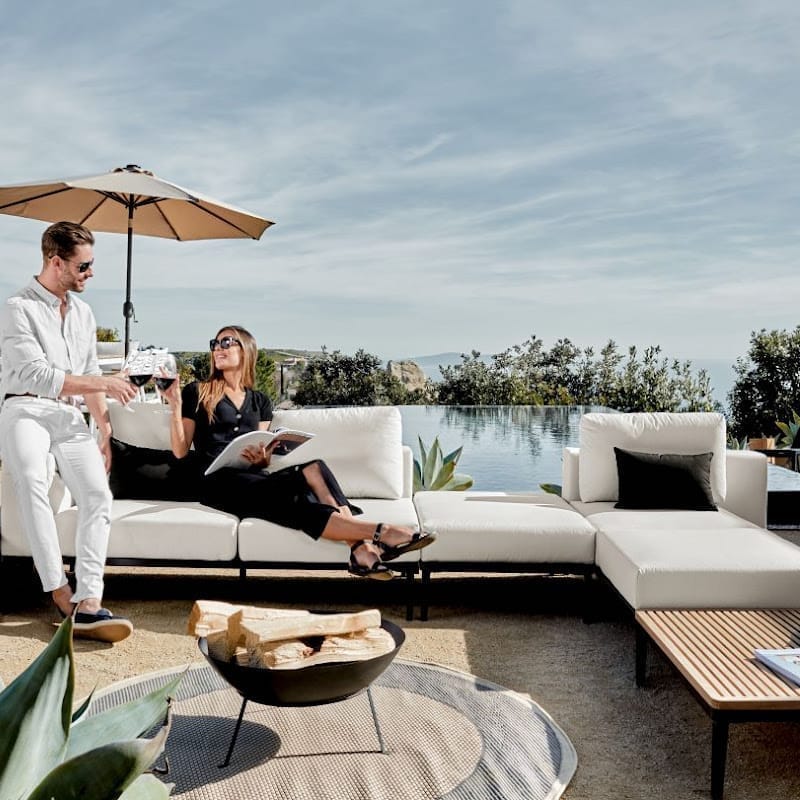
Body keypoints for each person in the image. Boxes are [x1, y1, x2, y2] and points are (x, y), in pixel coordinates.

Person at [161, 325, 434, 579]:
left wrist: (263, 458)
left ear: (246, 350)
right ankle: (379, 534)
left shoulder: (260, 401)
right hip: (216, 482)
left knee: (314, 469)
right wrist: (174, 405)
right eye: (215, 344)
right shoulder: (198, 391)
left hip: (253, 479)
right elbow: (180, 451)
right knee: (302, 500)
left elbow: (263, 448)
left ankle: (362, 551)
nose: (217, 348)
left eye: (226, 342)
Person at [0, 221, 139, 642]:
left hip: (69, 416)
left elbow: (90, 371)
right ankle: (59, 591)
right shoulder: (17, 307)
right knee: (31, 480)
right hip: (24, 407)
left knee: (98, 495)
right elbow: (38, 375)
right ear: (55, 261)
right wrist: (106, 385)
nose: (90, 274)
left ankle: (90, 601)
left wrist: (104, 428)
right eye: (84, 266)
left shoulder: (83, 312)